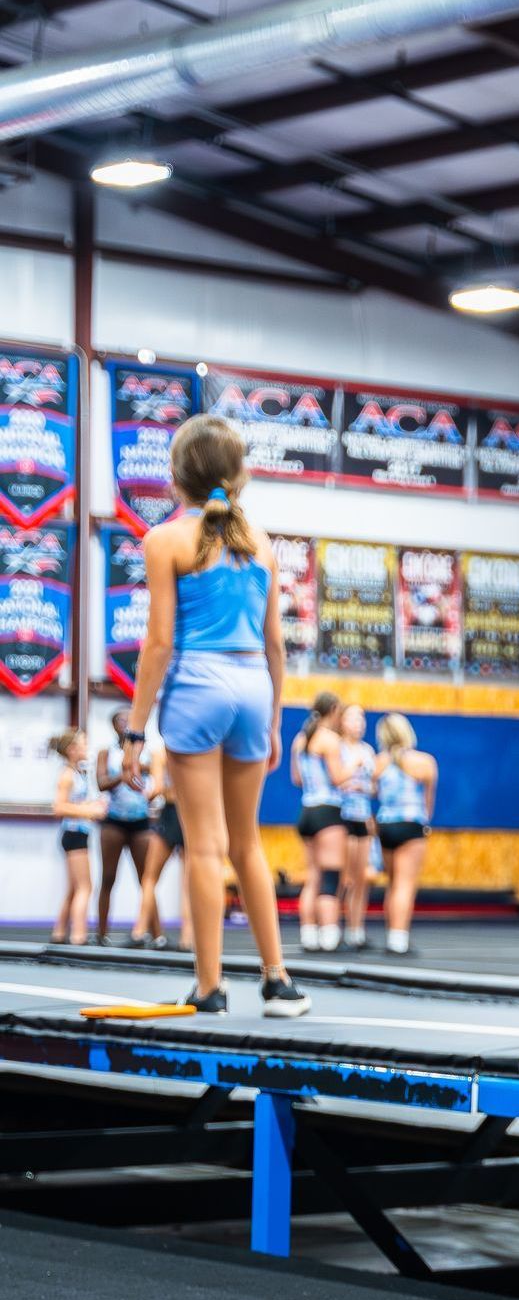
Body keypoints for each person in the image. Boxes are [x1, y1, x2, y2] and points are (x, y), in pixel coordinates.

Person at [122, 413, 309, 1018]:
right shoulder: (262, 546)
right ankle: (277, 980)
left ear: (176, 479)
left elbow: (157, 644)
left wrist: (134, 729)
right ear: (239, 475)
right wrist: (277, 721)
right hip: (253, 684)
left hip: (199, 684)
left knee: (204, 847)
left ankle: (209, 988)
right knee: (247, 844)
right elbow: (276, 645)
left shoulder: (165, 541)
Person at [373, 715, 435, 957]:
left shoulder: (378, 762)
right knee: (405, 885)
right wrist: (424, 825)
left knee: (393, 883)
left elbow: (373, 792)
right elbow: (428, 803)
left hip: (386, 824)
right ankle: (398, 940)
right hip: (411, 824)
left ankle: (392, 934)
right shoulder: (424, 762)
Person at [95, 711, 158, 945]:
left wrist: (142, 767)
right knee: (108, 877)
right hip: (114, 821)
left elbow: (156, 777)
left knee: (147, 879)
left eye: (129, 720)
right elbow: (101, 783)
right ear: (113, 726)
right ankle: (101, 934)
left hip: (140, 821)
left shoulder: (147, 753)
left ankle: (157, 935)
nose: (125, 723)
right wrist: (124, 774)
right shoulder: (106, 753)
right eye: (121, 720)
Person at [291, 691, 346, 953]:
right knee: (331, 876)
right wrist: (356, 766)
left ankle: (309, 934)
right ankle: (329, 936)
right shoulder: (330, 740)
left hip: (307, 810)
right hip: (327, 810)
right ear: (334, 710)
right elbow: (337, 778)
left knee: (313, 875)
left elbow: (297, 779)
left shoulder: (300, 739)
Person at [49, 729, 103, 945]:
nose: (86, 748)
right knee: (85, 887)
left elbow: (75, 803)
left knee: (74, 888)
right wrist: (89, 812)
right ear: (72, 750)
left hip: (79, 833)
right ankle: (79, 937)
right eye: (83, 745)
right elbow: (59, 807)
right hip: (74, 834)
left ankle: (59, 933)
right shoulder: (67, 775)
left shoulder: (78, 772)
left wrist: (90, 806)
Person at [136, 742, 188, 952]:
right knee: (189, 882)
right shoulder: (193, 749)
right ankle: (188, 939)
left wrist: (146, 794)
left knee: (149, 877)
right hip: (190, 813)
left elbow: (156, 788)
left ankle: (139, 931)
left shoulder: (161, 753)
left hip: (170, 812)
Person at [335, 703, 377, 951]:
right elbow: (333, 779)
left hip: (362, 815)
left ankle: (356, 930)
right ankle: (334, 927)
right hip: (343, 815)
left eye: (361, 719)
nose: (358, 724)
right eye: (353, 719)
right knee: (345, 877)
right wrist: (349, 777)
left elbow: (374, 787)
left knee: (362, 877)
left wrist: (365, 787)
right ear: (342, 722)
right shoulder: (337, 749)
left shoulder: (368, 750)